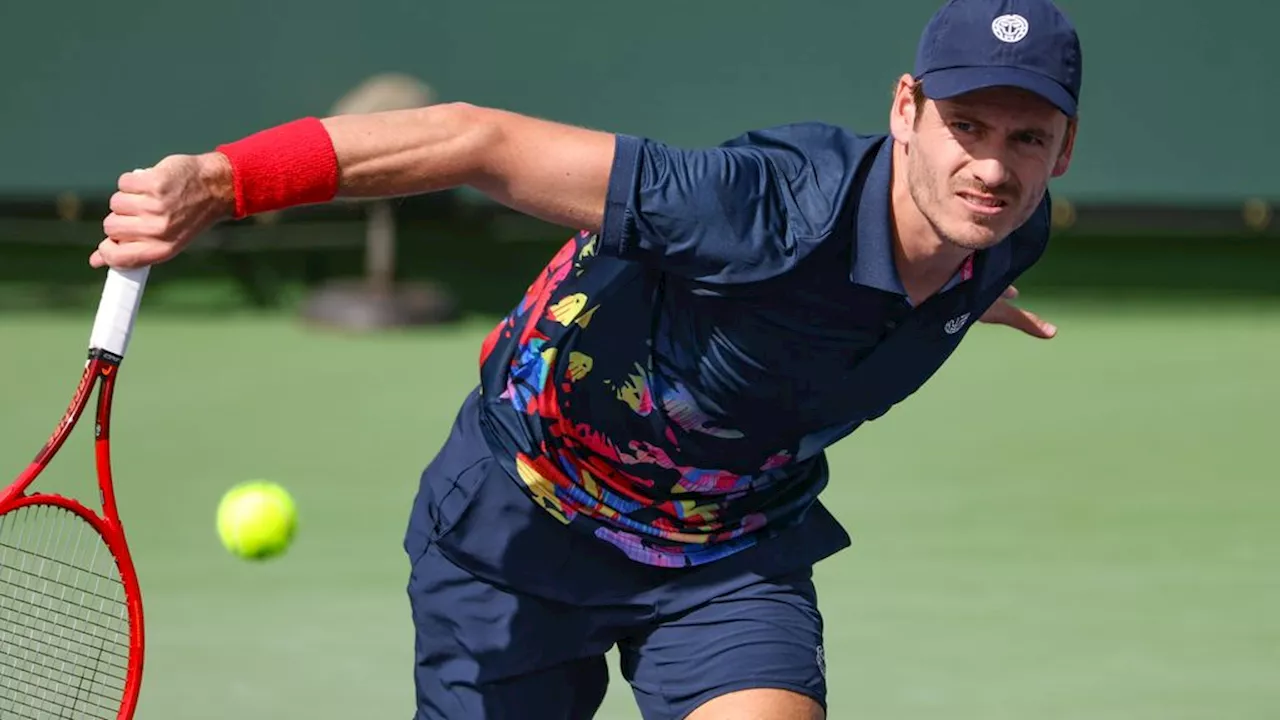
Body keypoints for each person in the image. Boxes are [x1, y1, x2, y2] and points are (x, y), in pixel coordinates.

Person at [92, 0, 1082, 716]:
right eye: (965, 127)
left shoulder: (998, 232)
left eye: (1024, 139)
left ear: (1062, 149)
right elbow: (473, 140)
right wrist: (221, 183)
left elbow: (926, 256)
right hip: (522, 520)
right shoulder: (750, 206)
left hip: (723, 549)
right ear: (904, 109)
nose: (990, 165)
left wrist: (951, 294)